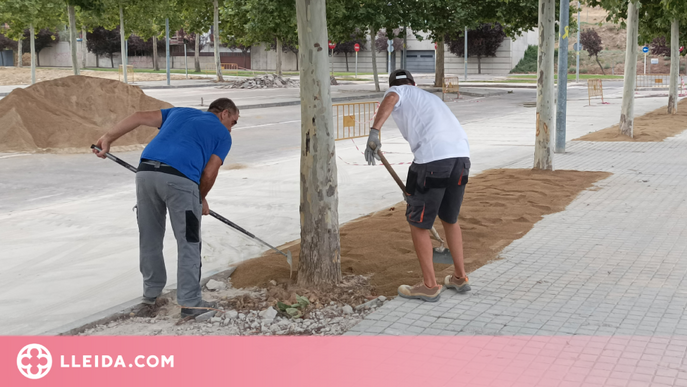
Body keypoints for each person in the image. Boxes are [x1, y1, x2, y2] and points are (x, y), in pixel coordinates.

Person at [93, 98, 239, 317]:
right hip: (180, 180)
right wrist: (199, 198)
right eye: (234, 122)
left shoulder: (179, 112)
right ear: (224, 114)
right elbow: (209, 172)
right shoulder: (222, 133)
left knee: (150, 237)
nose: (232, 128)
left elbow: (138, 116)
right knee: (189, 241)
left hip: (146, 174)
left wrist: (107, 138)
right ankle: (191, 303)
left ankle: (150, 298)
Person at [365, 69, 471, 302]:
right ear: (413, 82)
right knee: (450, 219)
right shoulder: (429, 97)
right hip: (461, 159)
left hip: (433, 160)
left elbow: (392, 98)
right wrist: (414, 192)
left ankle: (429, 285)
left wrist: (374, 132)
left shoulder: (397, 91)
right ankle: (460, 278)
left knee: (418, 223)